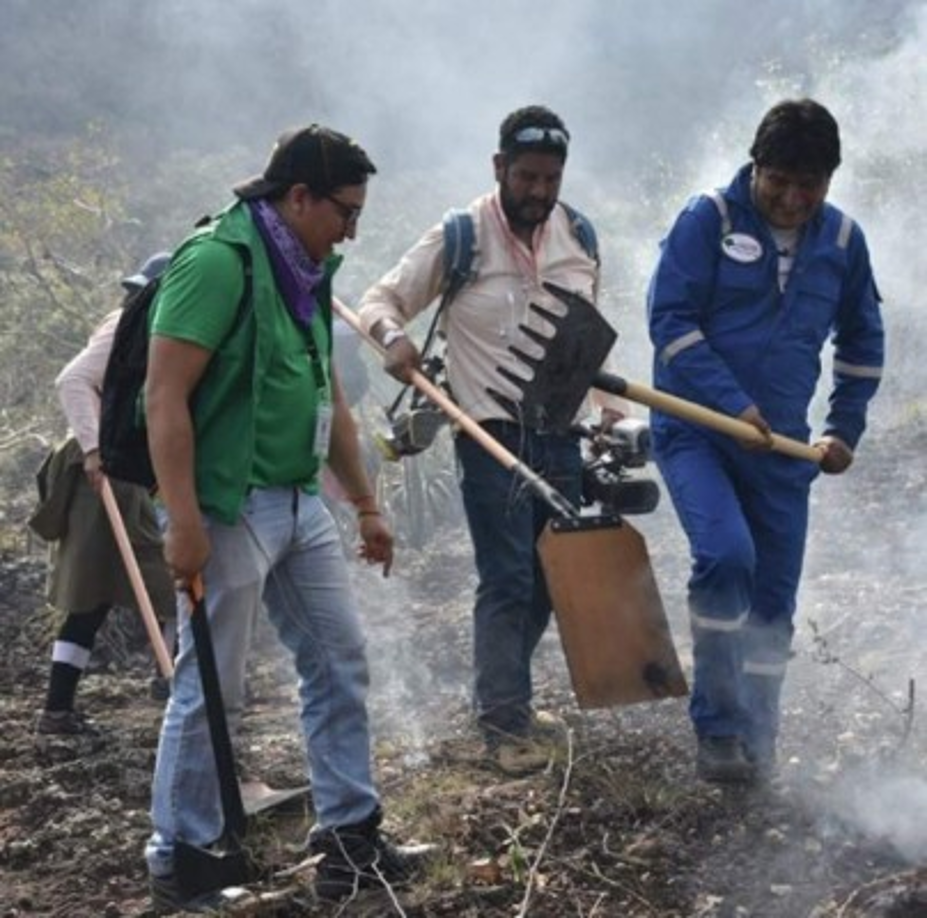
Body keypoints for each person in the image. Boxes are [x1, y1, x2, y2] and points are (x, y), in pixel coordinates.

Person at [142, 123, 434, 912]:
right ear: (298, 196)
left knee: (339, 660)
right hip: (226, 503)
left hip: (299, 500)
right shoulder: (218, 262)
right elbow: (164, 396)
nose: (351, 231)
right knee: (212, 683)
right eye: (345, 211)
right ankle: (182, 860)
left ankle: (348, 840)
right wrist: (183, 520)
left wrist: (365, 504)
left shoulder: (304, 267)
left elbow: (323, 391)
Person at [358, 105, 626, 775]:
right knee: (506, 577)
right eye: (527, 176)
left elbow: (589, 336)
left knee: (550, 577)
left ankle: (505, 697)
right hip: (487, 433)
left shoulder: (578, 236)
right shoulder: (460, 237)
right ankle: (503, 723)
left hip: (560, 434)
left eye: (551, 179)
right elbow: (378, 301)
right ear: (499, 167)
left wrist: (609, 411)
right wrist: (392, 341)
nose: (539, 191)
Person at [646, 98, 884, 784]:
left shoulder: (842, 242)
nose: (792, 199)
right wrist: (731, 404)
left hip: (783, 446)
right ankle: (718, 728)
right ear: (756, 166)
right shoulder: (707, 219)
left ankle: (758, 737)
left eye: (809, 185)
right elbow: (670, 322)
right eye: (779, 181)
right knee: (726, 558)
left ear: (829, 180)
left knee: (773, 599)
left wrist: (843, 428)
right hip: (696, 430)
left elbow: (862, 342)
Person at [28, 252, 176, 736]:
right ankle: (59, 710)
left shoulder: (161, 332)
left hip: (126, 473)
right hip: (101, 475)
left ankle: (170, 683)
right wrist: (94, 451)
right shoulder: (123, 326)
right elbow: (73, 379)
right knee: (95, 595)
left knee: (156, 588)